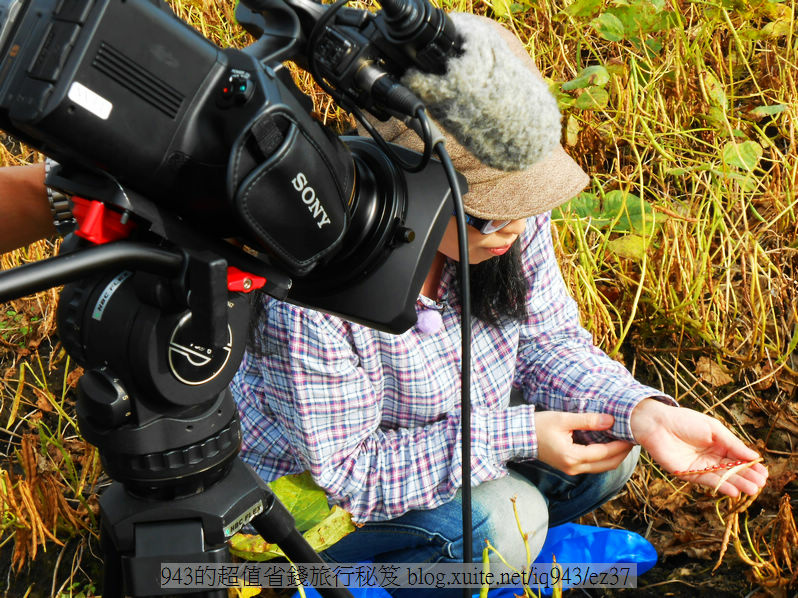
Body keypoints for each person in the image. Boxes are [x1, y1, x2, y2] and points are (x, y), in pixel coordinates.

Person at [230, 15, 768, 595]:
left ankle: (502, 551)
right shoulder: (320, 288)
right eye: (489, 208)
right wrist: (520, 437)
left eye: (525, 198)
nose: (515, 224)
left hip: (455, 438)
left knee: (614, 447)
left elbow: (546, 343)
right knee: (503, 521)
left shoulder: (509, 228)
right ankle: (400, 571)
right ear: (409, 180)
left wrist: (641, 410)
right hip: (322, 497)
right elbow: (348, 475)